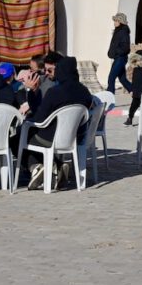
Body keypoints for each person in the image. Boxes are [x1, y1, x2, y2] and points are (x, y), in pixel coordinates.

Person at [19, 56, 92, 190]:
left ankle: (36, 167)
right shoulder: (85, 92)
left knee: (20, 134)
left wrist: (30, 91)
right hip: (74, 138)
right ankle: (57, 165)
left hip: (50, 139)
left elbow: (39, 119)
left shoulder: (55, 92)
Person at [124, 46, 142, 125]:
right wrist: (132, 90)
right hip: (136, 92)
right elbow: (134, 80)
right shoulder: (135, 68)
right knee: (133, 107)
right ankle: (130, 119)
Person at [106, 13, 132, 94]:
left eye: (116, 20)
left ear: (121, 21)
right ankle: (135, 92)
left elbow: (125, 47)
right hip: (118, 58)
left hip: (120, 58)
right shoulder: (118, 31)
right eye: (115, 20)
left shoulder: (123, 31)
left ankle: (109, 97)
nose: (115, 22)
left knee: (111, 78)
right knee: (122, 79)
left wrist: (116, 51)